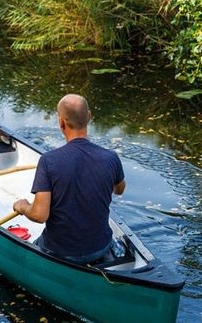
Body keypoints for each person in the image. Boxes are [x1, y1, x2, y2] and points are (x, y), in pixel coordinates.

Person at [12, 94, 126, 264]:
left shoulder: (49, 161)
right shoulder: (111, 158)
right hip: (100, 247)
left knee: (31, 250)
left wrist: (23, 207)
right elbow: (119, 189)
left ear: (61, 122)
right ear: (89, 117)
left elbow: (39, 215)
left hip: (60, 252)